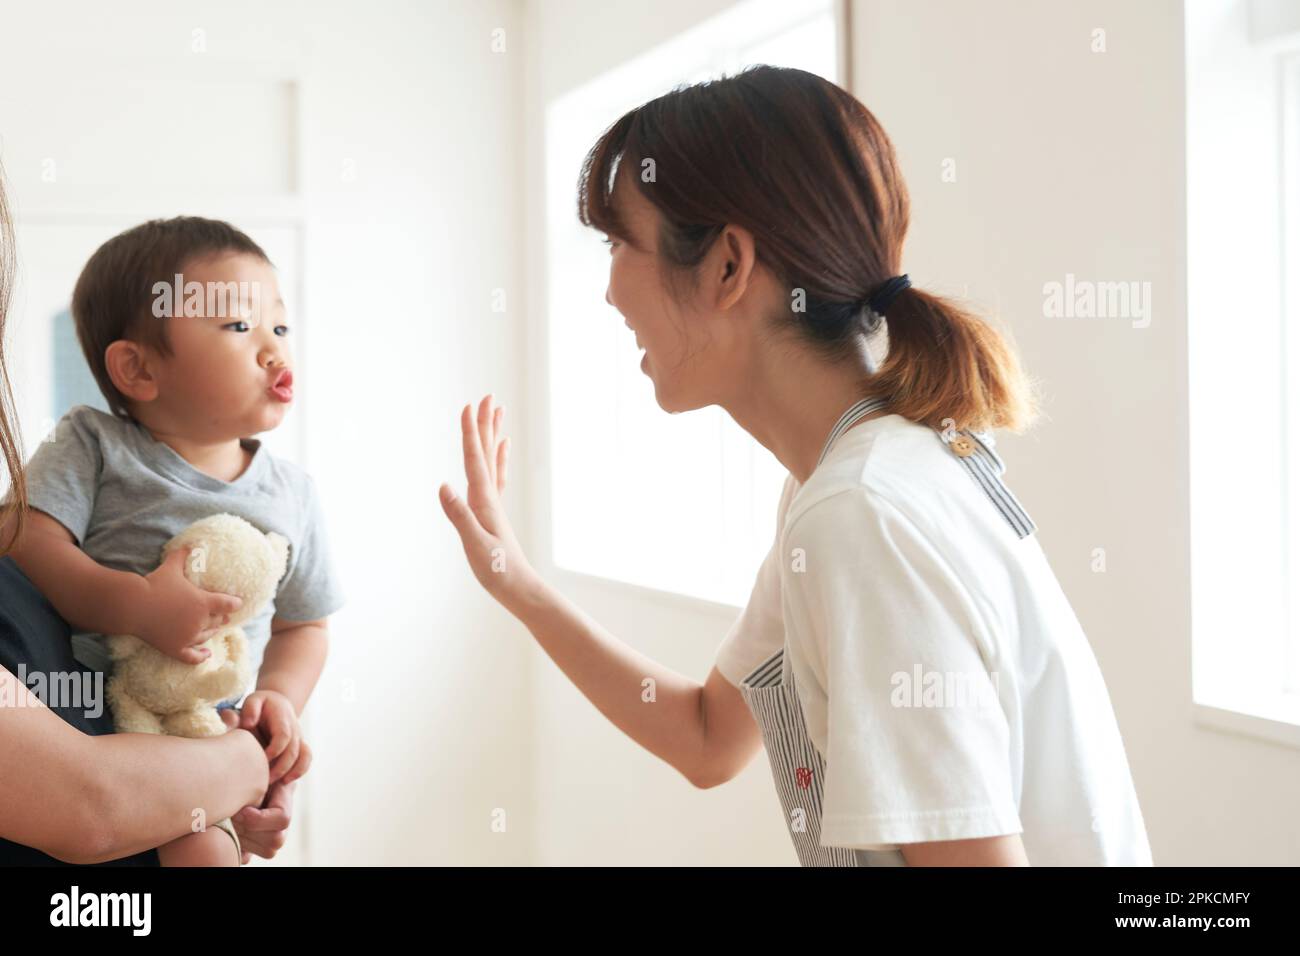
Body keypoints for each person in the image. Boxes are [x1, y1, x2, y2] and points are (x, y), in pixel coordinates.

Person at [439, 65, 1153, 866]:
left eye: (618, 242)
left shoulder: (861, 513)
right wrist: (519, 585)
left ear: (728, 267)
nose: (608, 291)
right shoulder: (854, 480)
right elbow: (708, 738)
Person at [0, 172, 291, 866]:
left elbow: (309, 621)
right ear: (137, 370)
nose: (274, 347)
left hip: (207, 725)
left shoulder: (290, 493)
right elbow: (29, 538)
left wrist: (276, 706)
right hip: (110, 713)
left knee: (211, 854)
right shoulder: (94, 445)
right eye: (237, 325)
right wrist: (137, 606)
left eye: (280, 325)